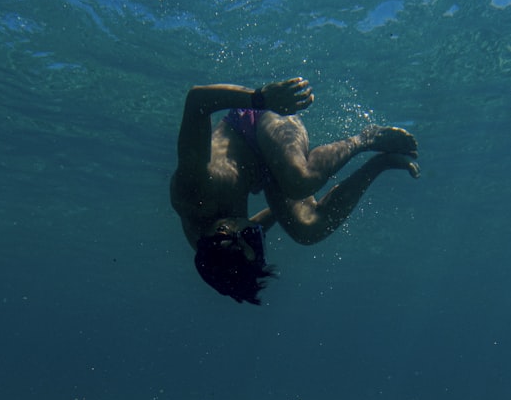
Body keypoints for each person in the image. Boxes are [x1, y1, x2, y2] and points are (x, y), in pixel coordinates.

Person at [170, 77, 420, 304]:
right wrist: (290, 213)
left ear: (223, 232)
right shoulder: (218, 247)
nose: (255, 233)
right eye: (255, 240)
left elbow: (197, 100)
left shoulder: (193, 190)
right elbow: (252, 225)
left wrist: (260, 97)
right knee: (308, 229)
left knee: (300, 181)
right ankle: (381, 163)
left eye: (250, 237)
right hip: (265, 171)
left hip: (256, 119)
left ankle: (366, 139)